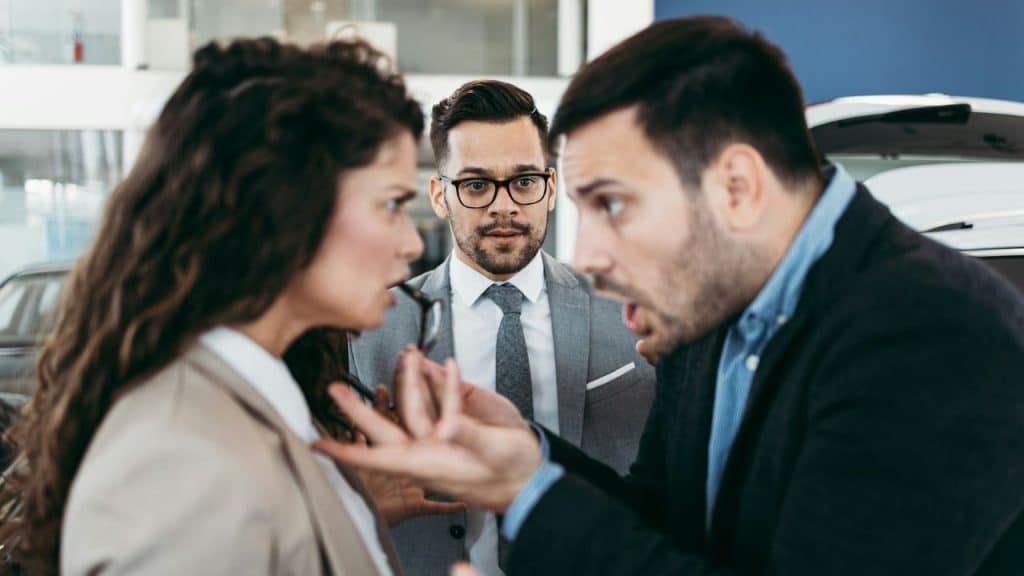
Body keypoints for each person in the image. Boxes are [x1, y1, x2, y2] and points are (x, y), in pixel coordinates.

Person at [317, 16, 1024, 576]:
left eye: (613, 204)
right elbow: (660, 528)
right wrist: (524, 456)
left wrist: (533, 499)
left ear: (736, 188)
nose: (586, 256)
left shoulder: (936, 336)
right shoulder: (709, 317)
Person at [0, 37, 452, 575]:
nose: (413, 244)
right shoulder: (180, 463)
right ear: (283, 204)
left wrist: (340, 514)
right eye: (392, 204)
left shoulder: (259, 408)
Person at [349, 79, 654, 576]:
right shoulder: (371, 323)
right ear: (440, 196)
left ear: (550, 189)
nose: (504, 205)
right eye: (475, 185)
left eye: (524, 181)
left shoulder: (630, 311)